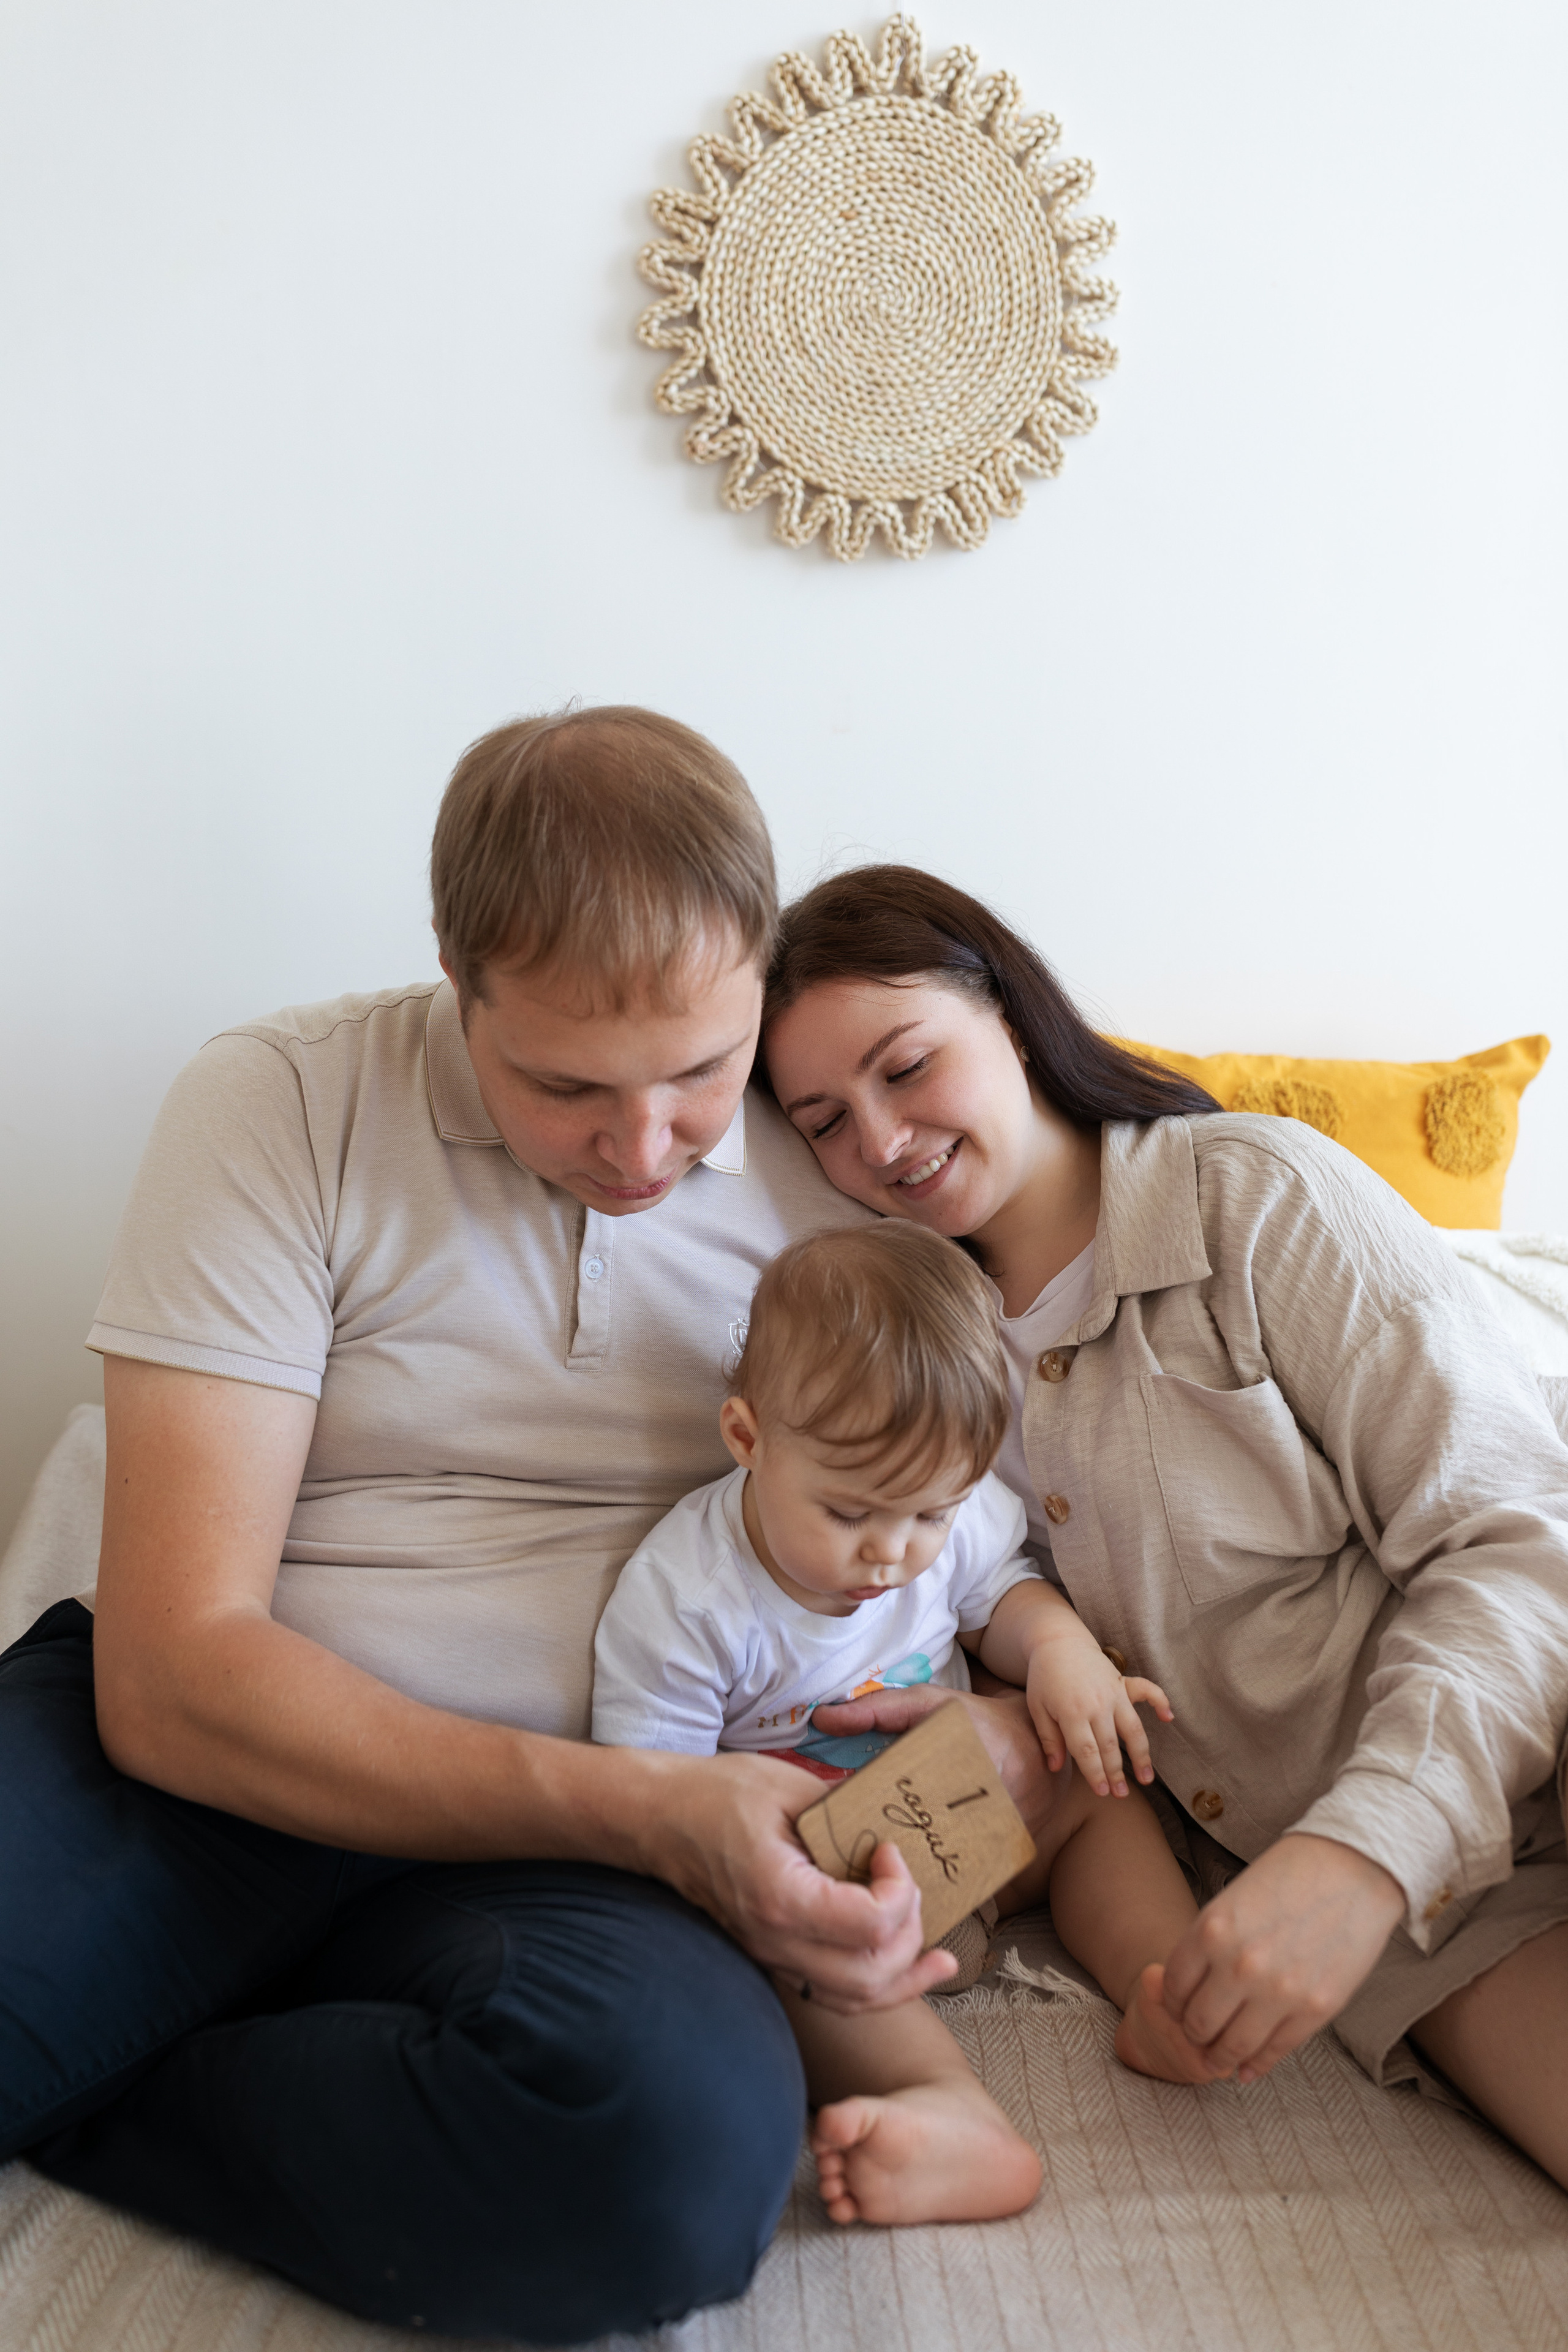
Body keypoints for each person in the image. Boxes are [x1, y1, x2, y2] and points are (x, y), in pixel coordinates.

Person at [1, 713, 984, 2348]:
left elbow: (979, 1504)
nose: (647, 1146)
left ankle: (123, 2069)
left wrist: (978, 1738)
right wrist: (657, 1812)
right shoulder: (284, 1102)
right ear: (457, 974)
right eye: (564, 1087)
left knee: (665, 2169)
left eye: (698, 1073)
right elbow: (173, 1679)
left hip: (574, 1871)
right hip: (210, 1777)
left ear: (759, 971)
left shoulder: (844, 1171)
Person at [758, 863, 1568, 2187]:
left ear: (1008, 1018)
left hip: (1493, 1752)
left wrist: (1362, 1853)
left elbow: (1516, 1534)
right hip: (1426, 1917)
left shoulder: (1249, 1200)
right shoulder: (898, 1354)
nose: (880, 1140)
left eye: (905, 1069)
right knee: (773, 1900)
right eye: (824, 1121)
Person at [594, 1221, 1216, 2225]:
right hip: (831, 1874)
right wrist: (773, 1889)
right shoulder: (688, 1599)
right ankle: (943, 2107)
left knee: (1094, 1792)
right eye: (850, 1515)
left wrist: (1059, 1655)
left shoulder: (947, 1519)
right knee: (777, 1953)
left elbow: (1001, 1593)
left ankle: (1166, 1987)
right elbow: (651, 1796)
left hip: (976, 1813)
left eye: (931, 1514)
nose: (895, 1553)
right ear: (747, 1437)